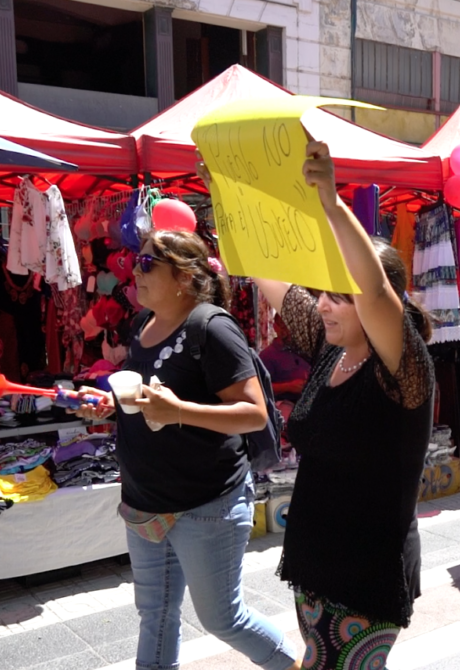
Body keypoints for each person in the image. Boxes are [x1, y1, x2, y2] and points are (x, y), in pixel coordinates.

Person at [248, 141, 436, 669]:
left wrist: (331, 204)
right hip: (314, 561)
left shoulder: (404, 370)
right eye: (323, 292)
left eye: (339, 296)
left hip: (366, 574)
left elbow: (372, 290)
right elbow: (263, 268)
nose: (323, 304)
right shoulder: (331, 347)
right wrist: (231, 191)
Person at [75, 230, 300, 670]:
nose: (134, 271)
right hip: (144, 500)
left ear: (183, 277)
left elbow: (254, 414)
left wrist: (179, 411)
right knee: (155, 616)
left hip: (207, 503)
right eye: (136, 261)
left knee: (223, 619)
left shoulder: (211, 328)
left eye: (146, 264)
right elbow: (146, 397)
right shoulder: (142, 324)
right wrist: (110, 404)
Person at [259, 314, 311, 403]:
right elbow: (260, 387)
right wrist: (288, 386)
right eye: (283, 326)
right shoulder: (267, 355)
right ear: (275, 327)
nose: (287, 330)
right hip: (283, 404)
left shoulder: (305, 350)